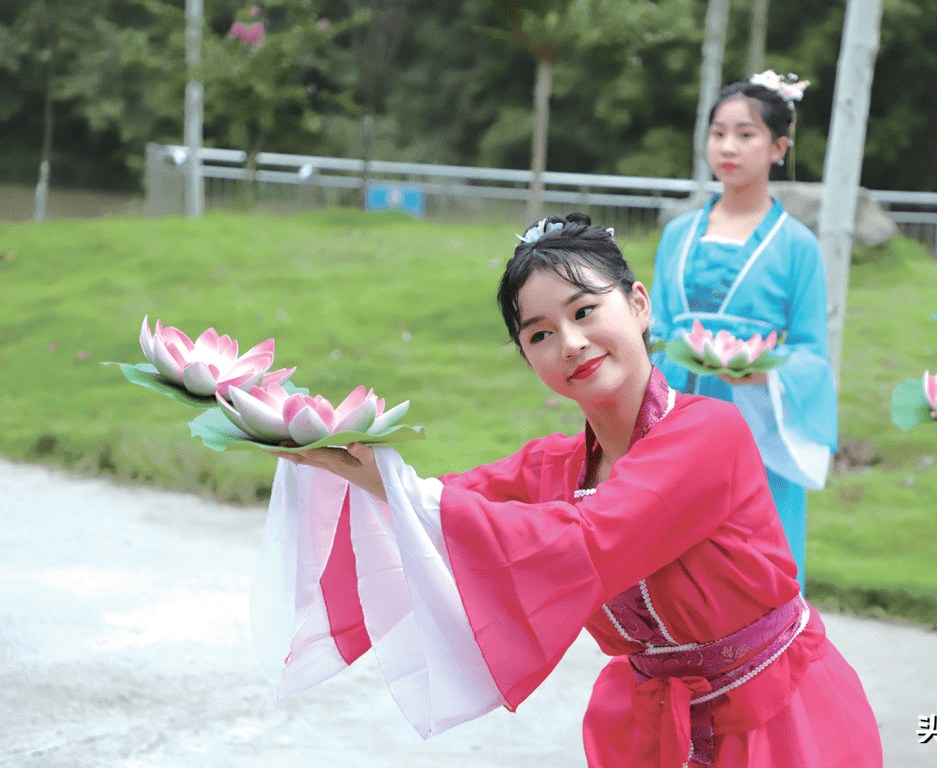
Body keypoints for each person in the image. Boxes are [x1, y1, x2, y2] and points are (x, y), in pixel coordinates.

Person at [258, 213, 883, 767]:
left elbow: (592, 538)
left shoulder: (709, 435)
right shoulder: (556, 467)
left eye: (585, 311)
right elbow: (440, 504)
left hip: (777, 722)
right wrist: (339, 457)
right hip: (654, 726)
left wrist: (399, 487)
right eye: (540, 334)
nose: (572, 343)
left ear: (639, 305)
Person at [648, 72, 837, 590]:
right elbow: (658, 332)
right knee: (673, 571)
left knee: (749, 571)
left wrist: (761, 375)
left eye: (746, 134)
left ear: (779, 147)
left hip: (759, 424)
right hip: (678, 419)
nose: (728, 146)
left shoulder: (797, 245)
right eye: (718, 132)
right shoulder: (678, 233)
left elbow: (811, 354)